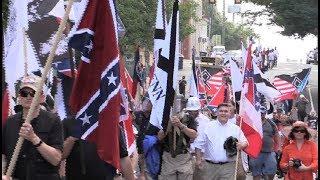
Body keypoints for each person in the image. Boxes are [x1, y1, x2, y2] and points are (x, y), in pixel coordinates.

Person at [2, 75, 63, 180]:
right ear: (19, 97)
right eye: (24, 93)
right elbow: (3, 156)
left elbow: (56, 159)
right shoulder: (10, 122)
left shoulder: (53, 120)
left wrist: (34, 138)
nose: (28, 97)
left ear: (42, 97)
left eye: (33, 93)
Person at [62, 116, 135, 180]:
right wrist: (72, 139)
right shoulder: (68, 123)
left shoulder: (110, 123)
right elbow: (60, 156)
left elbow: (123, 157)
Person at [194, 103, 248, 180]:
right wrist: (198, 160)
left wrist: (241, 145)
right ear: (217, 113)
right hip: (210, 167)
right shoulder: (208, 126)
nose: (223, 113)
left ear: (229, 113)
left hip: (228, 167)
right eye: (221, 111)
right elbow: (198, 144)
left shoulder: (236, 128)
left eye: (226, 111)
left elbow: (245, 142)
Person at [157, 97, 198, 180]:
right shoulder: (164, 118)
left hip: (184, 157)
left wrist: (180, 125)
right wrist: (168, 125)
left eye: (181, 103)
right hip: (168, 158)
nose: (178, 105)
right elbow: (159, 137)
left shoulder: (189, 118)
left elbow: (194, 135)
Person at [249, 106, 281, 180]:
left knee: (271, 171)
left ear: (265, 113)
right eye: (260, 113)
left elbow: (276, 134)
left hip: (269, 152)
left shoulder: (271, 123)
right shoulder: (251, 123)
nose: (261, 114)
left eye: (263, 113)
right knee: (256, 173)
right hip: (255, 153)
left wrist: (279, 146)